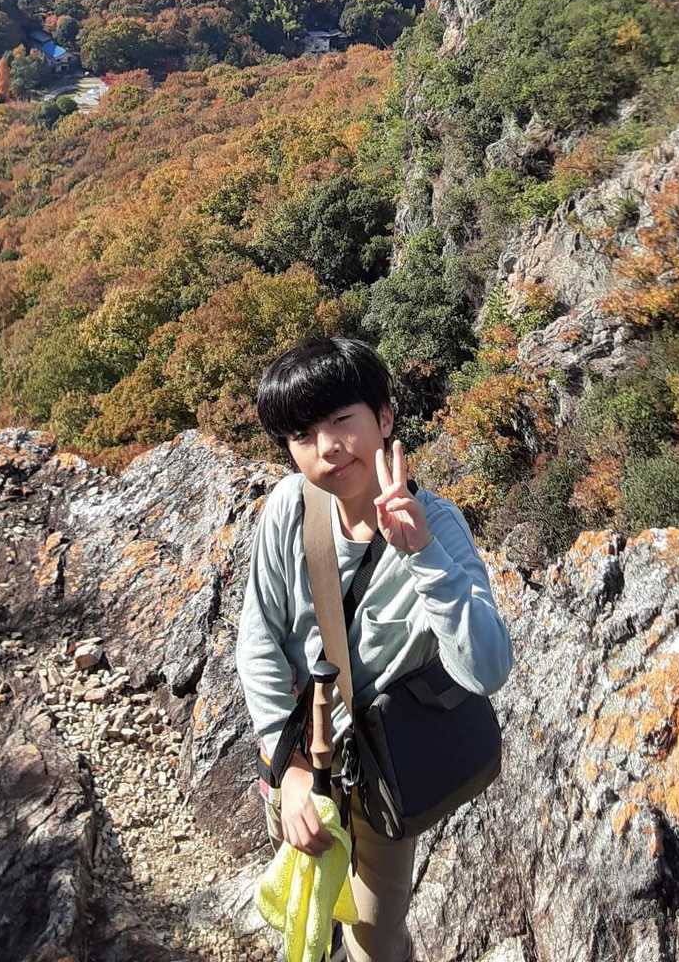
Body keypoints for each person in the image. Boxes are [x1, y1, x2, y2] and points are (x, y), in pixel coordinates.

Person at [235, 335, 514, 962]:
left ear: (384, 418)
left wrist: (422, 555)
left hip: (383, 772)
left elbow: (487, 668)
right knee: (308, 907)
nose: (327, 447)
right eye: (303, 435)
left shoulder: (437, 528)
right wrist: (289, 770)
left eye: (342, 420)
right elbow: (259, 639)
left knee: (373, 939)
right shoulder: (289, 510)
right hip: (299, 757)